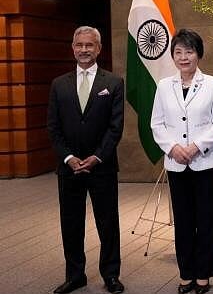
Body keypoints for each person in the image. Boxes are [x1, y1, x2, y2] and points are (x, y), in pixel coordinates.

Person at [47, 26, 125, 294]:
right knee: (71, 222)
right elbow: (53, 127)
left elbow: (116, 127)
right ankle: (75, 275)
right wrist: (68, 157)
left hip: (101, 166)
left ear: (99, 49)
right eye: (79, 45)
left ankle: (111, 275)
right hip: (69, 168)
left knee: (108, 222)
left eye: (89, 45)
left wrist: (97, 157)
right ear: (72, 47)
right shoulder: (59, 84)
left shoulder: (113, 83)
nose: (84, 50)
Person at [151, 29, 213, 294]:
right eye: (178, 52)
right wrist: (173, 148)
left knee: (206, 219)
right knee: (183, 221)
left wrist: (196, 147)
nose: (184, 57)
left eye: (189, 51)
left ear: (198, 54)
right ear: (173, 55)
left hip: (206, 163)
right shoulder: (164, 86)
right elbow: (157, 123)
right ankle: (186, 273)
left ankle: (204, 274)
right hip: (176, 163)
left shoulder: (212, 84)